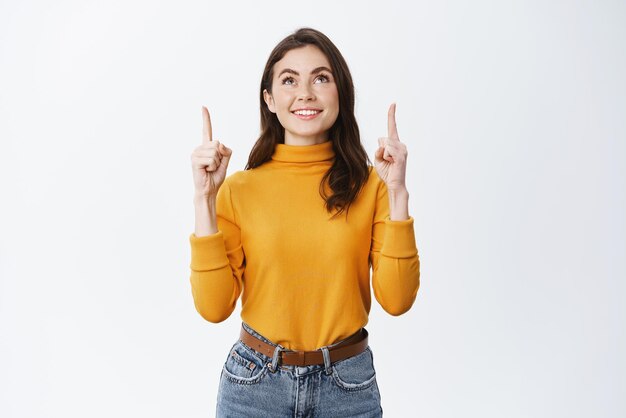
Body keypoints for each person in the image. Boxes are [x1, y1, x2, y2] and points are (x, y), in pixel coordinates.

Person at [188, 27, 420, 417]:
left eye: (321, 78)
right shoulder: (239, 188)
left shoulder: (372, 186)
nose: (306, 93)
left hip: (347, 387)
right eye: (289, 80)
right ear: (270, 99)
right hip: (254, 386)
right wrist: (204, 199)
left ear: (339, 93)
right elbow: (213, 308)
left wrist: (397, 192)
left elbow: (397, 301)